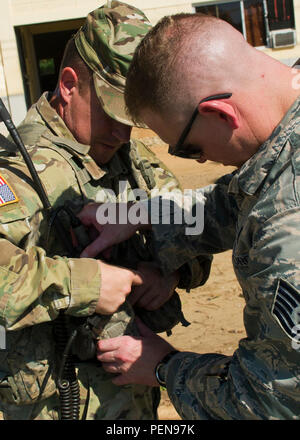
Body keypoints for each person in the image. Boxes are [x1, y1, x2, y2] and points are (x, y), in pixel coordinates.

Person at [78, 14, 300, 419]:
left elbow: (270, 404)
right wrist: (144, 213)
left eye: (186, 147)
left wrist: (164, 367)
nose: (198, 159)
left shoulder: (287, 232)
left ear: (221, 113)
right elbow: (237, 203)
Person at [0, 3, 211, 420]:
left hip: (136, 400)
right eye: (112, 112)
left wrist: (170, 274)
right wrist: (89, 283)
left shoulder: (131, 158)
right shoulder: (16, 170)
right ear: (68, 85)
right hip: (57, 404)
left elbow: (200, 233)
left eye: (132, 117)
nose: (122, 131)